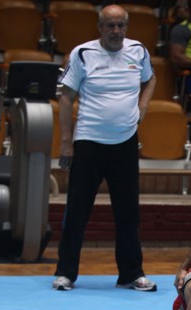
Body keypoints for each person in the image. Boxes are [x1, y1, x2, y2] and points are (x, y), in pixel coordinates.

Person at [53, 4, 157, 292]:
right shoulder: (82, 54)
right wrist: (66, 143)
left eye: (121, 25)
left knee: (128, 213)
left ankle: (131, 274)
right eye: (110, 26)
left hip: (125, 143)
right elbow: (66, 97)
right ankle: (65, 273)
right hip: (88, 142)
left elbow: (150, 79)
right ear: (100, 28)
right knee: (77, 211)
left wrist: (143, 105)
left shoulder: (138, 51)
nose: (116, 31)